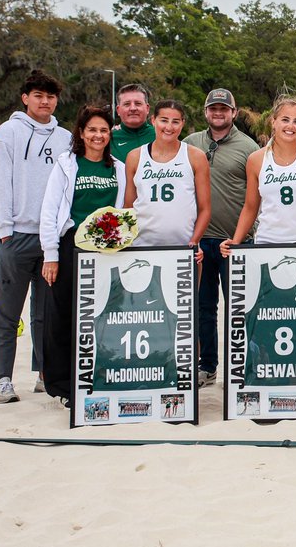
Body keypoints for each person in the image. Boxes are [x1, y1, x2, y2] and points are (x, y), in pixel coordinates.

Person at [0, 69, 72, 403]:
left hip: (51, 236)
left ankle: (44, 373)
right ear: (25, 98)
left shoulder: (65, 137)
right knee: (8, 311)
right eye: (38, 96)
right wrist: (3, 230)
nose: (45, 101)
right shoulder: (9, 132)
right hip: (17, 234)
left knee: (45, 312)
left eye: (50, 97)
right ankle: (2, 378)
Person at [39, 105, 127, 405]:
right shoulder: (67, 163)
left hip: (106, 249)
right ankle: (63, 385)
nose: (98, 135)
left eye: (104, 130)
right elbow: (50, 210)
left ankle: (98, 376)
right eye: (92, 130)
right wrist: (50, 254)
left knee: (100, 316)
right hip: (70, 246)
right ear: (81, 132)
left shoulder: (117, 167)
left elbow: (123, 210)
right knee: (63, 315)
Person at [184, 88, 259, 387]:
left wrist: (244, 236)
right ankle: (207, 366)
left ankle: (242, 365)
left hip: (235, 241)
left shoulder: (248, 147)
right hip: (200, 240)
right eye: (213, 108)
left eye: (224, 109)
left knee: (239, 308)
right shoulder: (190, 144)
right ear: (205, 112)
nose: (218, 113)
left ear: (234, 112)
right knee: (203, 307)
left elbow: (256, 196)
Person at [222, 97, 296, 254]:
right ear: (274, 122)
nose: (290, 126)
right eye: (285, 119)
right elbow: (250, 207)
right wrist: (235, 241)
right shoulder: (256, 160)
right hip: (268, 241)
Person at [123, 99, 210, 252]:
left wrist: (194, 242)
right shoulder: (135, 156)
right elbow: (128, 207)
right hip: (141, 245)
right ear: (153, 120)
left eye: (175, 121)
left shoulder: (195, 156)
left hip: (183, 245)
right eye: (164, 120)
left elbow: (205, 208)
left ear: (182, 123)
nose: (169, 127)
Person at [109, 83, 156, 161]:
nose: (133, 108)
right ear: (118, 110)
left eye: (138, 103)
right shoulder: (108, 139)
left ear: (147, 108)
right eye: (127, 104)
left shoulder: (160, 136)